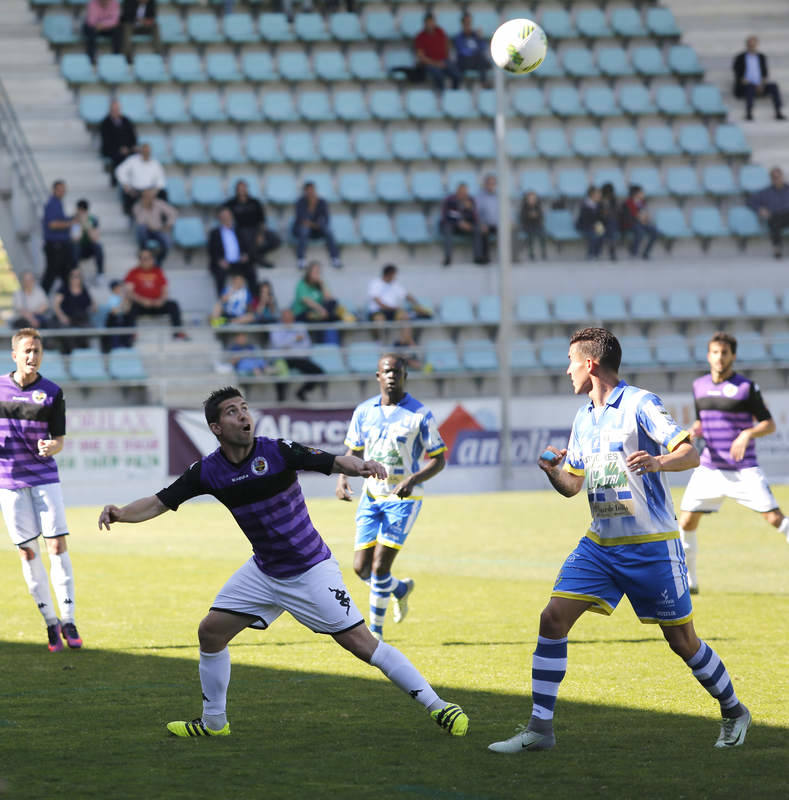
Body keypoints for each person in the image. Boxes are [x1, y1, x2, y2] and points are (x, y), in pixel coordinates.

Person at [97, 386, 468, 738]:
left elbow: (332, 461)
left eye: (244, 408)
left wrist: (360, 466)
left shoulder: (276, 452)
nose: (244, 416)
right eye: (232, 412)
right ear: (216, 428)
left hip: (310, 570)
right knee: (210, 632)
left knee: (362, 644)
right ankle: (214, 723)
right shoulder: (208, 471)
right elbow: (161, 501)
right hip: (265, 571)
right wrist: (121, 512)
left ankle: (439, 705)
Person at [488, 327, 751, 754]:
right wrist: (552, 472)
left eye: (571, 361)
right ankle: (540, 730)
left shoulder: (640, 404)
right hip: (600, 546)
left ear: (590, 364)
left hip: (651, 546)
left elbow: (691, 453)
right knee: (552, 619)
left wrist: (658, 460)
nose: (566, 369)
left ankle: (734, 709)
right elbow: (573, 485)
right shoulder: (583, 417)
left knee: (682, 641)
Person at [337, 354, 446, 641]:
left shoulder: (421, 415)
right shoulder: (364, 412)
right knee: (361, 568)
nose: (392, 376)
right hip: (371, 496)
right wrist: (342, 476)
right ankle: (398, 589)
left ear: (405, 375)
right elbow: (354, 451)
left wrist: (413, 479)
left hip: (403, 499)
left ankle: (376, 634)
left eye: (397, 371)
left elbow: (438, 459)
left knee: (380, 566)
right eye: (386, 371)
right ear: (378, 376)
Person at [678, 332, 789, 593]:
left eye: (724, 353)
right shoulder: (699, 386)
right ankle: (691, 582)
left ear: (733, 356)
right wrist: (694, 432)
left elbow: (769, 423)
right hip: (710, 468)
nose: (719, 358)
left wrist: (747, 432)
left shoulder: (746, 388)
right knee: (686, 522)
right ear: (709, 355)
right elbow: (701, 420)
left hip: (743, 469)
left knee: (774, 518)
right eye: (715, 352)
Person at [0, 328, 82, 653]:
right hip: (9, 483)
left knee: (57, 546)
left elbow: (59, 440)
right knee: (27, 552)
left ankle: (69, 618)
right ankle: (50, 623)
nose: (33, 357)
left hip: (45, 479)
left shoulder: (52, 392)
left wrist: (53, 446)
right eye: (27, 351)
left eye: (37, 351)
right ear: (15, 355)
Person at [124, 248, 187, 339]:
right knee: (130, 307)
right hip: (142, 305)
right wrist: (142, 300)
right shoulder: (133, 272)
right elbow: (128, 291)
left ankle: (177, 333)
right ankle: (131, 334)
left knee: (173, 305)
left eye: (147, 258)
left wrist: (161, 300)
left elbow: (165, 289)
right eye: (141, 258)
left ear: (152, 259)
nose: (144, 261)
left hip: (157, 304)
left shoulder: (158, 271)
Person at [268, 309, 324, 402]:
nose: (288, 319)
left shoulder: (300, 327)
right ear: (282, 318)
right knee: (279, 371)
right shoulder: (276, 328)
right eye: (285, 317)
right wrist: (295, 339)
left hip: (299, 358)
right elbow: (278, 344)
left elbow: (307, 345)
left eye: (290, 316)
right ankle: (280, 400)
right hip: (283, 359)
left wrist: (287, 344)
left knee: (318, 372)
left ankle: (301, 392)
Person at [223, 180, 281, 269]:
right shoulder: (231, 203)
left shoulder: (255, 202)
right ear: (236, 190)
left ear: (246, 189)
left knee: (276, 240)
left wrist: (260, 234)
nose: (241, 190)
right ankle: (259, 259)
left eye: (243, 188)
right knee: (246, 240)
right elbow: (222, 212)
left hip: (256, 229)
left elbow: (262, 220)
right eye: (239, 189)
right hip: (241, 230)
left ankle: (256, 255)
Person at [208, 207, 258, 298]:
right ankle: (222, 302)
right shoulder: (214, 233)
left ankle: (253, 301)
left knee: (251, 271)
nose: (226, 218)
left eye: (228, 216)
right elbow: (212, 250)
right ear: (220, 218)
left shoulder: (238, 231)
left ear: (231, 216)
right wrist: (219, 260)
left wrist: (245, 255)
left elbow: (246, 246)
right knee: (220, 274)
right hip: (224, 263)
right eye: (223, 216)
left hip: (238, 262)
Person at [732, 36, 785, 121]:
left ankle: (778, 112)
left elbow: (765, 72)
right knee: (750, 87)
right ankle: (749, 113)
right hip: (746, 85)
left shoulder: (761, 57)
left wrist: (762, 83)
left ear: (757, 45)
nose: (752, 47)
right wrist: (743, 80)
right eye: (750, 45)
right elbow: (737, 72)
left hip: (759, 84)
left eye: (754, 45)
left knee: (774, 86)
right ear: (747, 45)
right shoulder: (740, 57)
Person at [292, 181, 341, 270]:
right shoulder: (300, 202)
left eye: (312, 190)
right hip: (303, 230)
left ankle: (335, 258)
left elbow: (326, 219)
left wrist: (316, 224)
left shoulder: (322, 202)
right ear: (305, 191)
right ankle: (301, 259)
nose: (311, 192)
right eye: (309, 190)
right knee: (304, 230)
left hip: (317, 229)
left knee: (328, 231)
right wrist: (311, 206)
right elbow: (302, 220)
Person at [747, 166, 789, 259]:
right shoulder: (766, 192)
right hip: (775, 216)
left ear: (782, 177)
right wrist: (760, 209)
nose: (777, 179)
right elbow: (750, 201)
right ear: (771, 179)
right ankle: (777, 248)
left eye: (778, 177)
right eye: (774, 177)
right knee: (773, 221)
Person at [115, 141, 166, 217]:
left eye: (148, 151)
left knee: (163, 194)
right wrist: (125, 184)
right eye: (144, 151)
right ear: (141, 151)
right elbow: (120, 170)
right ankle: (132, 216)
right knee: (127, 195)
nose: (146, 153)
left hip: (151, 190)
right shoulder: (132, 160)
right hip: (136, 190)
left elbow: (161, 179)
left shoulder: (155, 163)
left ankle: (161, 217)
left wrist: (155, 191)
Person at [42, 180, 75, 295]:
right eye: (60, 189)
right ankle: (41, 298)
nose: (62, 192)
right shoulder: (52, 204)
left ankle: (66, 301)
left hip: (62, 245)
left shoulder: (59, 203)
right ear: (54, 190)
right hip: (55, 246)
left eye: (63, 190)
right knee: (51, 274)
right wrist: (70, 223)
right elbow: (52, 224)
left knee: (66, 275)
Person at [52, 269, 97, 354]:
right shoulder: (64, 289)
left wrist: (93, 307)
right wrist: (62, 316)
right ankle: (67, 353)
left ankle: (83, 352)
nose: (75, 279)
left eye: (77, 277)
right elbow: (56, 305)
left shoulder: (84, 290)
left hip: (81, 319)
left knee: (88, 329)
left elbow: (92, 304)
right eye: (73, 277)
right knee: (65, 331)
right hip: (67, 318)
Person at [439, 183, 485, 266]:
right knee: (447, 228)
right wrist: (459, 222)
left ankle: (478, 257)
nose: (463, 193)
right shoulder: (450, 200)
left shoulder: (470, 200)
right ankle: (448, 258)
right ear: (457, 191)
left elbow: (474, 216)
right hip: (453, 225)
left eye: (464, 191)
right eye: (461, 191)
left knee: (478, 228)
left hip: (466, 226)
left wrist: (470, 209)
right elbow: (447, 215)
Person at [367, 264, 431, 322]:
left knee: (405, 317)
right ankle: (382, 335)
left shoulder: (395, 284)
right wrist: (393, 308)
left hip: (393, 311)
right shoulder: (375, 283)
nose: (395, 276)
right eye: (394, 274)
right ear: (389, 274)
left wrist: (418, 306)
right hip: (377, 311)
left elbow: (407, 296)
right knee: (379, 319)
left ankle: (407, 335)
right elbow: (378, 302)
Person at [414, 13, 460, 91]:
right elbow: (421, 57)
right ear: (425, 23)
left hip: (443, 60)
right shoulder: (420, 37)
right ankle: (441, 99)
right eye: (428, 22)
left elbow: (446, 45)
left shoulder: (440, 31)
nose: (430, 24)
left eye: (432, 22)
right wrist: (436, 63)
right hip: (430, 63)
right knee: (439, 76)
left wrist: (446, 59)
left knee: (457, 74)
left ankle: (454, 94)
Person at [132, 187, 177, 264]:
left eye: (150, 194)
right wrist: (145, 208)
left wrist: (168, 225)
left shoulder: (159, 203)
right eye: (146, 194)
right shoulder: (137, 206)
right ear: (143, 195)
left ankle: (158, 262)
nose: (149, 196)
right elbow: (140, 221)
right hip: (146, 231)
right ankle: (144, 253)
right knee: (141, 229)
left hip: (158, 230)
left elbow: (173, 213)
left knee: (167, 241)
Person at [292, 260, 342, 324]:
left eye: (318, 272)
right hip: (304, 312)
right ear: (309, 272)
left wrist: (322, 285)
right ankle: (331, 318)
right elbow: (306, 300)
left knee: (333, 302)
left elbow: (329, 299)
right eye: (315, 272)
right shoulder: (301, 284)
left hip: (319, 313)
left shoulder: (320, 284)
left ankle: (330, 317)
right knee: (332, 318)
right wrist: (321, 310)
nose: (317, 274)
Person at [100, 99, 137, 180]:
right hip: (112, 150)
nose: (116, 111)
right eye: (114, 110)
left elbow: (133, 137)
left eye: (117, 109)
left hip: (128, 150)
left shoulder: (126, 121)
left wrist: (130, 147)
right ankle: (117, 180)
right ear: (110, 110)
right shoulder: (105, 123)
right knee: (119, 157)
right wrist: (119, 149)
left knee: (136, 157)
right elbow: (106, 141)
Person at [71, 199, 105, 282]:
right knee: (75, 247)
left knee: (98, 246)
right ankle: (75, 273)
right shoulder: (74, 219)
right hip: (78, 248)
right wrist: (79, 225)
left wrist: (86, 224)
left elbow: (94, 238)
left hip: (89, 248)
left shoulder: (93, 220)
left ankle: (100, 274)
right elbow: (75, 238)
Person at [621, 185, 658, 259]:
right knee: (640, 233)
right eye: (641, 192)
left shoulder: (642, 202)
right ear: (636, 193)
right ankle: (633, 251)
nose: (643, 194)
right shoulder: (627, 203)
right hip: (632, 224)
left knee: (655, 232)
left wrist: (646, 219)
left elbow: (645, 214)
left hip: (643, 223)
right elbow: (627, 218)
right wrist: (638, 218)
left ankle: (646, 253)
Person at [453, 12, 489, 85]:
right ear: (462, 24)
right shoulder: (459, 37)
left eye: (469, 23)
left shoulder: (475, 36)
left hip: (476, 61)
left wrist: (480, 38)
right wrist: (475, 52)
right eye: (466, 23)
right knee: (478, 58)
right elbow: (462, 51)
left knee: (482, 59)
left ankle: (484, 83)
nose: (468, 25)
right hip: (465, 61)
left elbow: (483, 47)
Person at [83, 0, 122, 64]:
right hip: (95, 28)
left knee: (118, 30)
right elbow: (91, 21)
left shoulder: (114, 3)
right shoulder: (92, 3)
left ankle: (116, 57)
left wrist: (103, 25)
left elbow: (115, 21)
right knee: (90, 30)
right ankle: (91, 58)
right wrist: (102, 24)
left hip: (106, 28)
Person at [102, 279, 135, 352]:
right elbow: (114, 312)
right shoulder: (112, 299)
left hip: (122, 324)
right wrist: (123, 302)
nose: (121, 288)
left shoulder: (121, 298)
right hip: (115, 325)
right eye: (119, 287)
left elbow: (127, 310)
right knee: (116, 346)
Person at [576, 186, 605, 260]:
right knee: (593, 235)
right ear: (592, 195)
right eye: (598, 194)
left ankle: (597, 253)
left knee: (601, 234)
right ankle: (590, 254)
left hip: (596, 225)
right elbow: (584, 219)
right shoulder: (585, 204)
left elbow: (601, 218)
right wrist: (593, 225)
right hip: (585, 226)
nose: (600, 195)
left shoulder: (599, 204)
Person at [475, 174, 498, 264]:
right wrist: (481, 223)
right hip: (486, 224)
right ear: (485, 184)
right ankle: (485, 258)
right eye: (489, 183)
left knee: (509, 231)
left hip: (498, 224)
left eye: (493, 184)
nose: (491, 186)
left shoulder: (500, 196)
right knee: (483, 232)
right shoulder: (480, 197)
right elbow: (477, 212)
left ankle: (511, 257)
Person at [519, 190, 547, 261]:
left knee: (542, 235)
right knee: (531, 236)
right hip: (527, 226)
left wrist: (536, 215)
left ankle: (544, 253)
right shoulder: (524, 207)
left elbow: (541, 217)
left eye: (533, 198)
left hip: (537, 225)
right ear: (527, 199)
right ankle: (531, 254)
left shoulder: (538, 207)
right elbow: (522, 218)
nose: (532, 200)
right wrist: (529, 215)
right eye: (530, 198)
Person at [599, 182, 619, 261]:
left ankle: (612, 251)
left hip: (610, 224)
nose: (608, 195)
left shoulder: (613, 201)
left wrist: (608, 213)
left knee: (612, 226)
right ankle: (596, 252)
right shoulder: (599, 200)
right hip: (599, 223)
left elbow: (616, 213)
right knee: (599, 234)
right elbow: (597, 215)